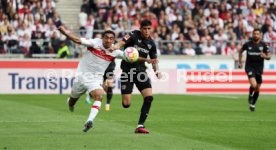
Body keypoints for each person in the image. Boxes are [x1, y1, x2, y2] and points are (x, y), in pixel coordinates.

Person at [58, 26, 125, 132]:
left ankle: (89, 121)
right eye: (106, 37)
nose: (108, 40)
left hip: (95, 80)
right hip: (81, 77)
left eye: (111, 38)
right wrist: (64, 32)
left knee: (99, 95)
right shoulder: (94, 43)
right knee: (72, 102)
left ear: (113, 40)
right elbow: (76, 40)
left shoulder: (115, 51)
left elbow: (131, 57)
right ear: (102, 38)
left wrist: (147, 59)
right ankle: (70, 103)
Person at [110, 20, 161, 134]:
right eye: (144, 29)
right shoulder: (133, 35)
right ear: (140, 28)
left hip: (141, 72)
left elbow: (154, 59)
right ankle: (125, 99)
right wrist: (116, 46)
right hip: (127, 71)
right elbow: (122, 42)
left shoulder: (151, 43)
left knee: (149, 98)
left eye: (149, 29)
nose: (147, 31)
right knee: (126, 104)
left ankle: (140, 126)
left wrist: (157, 70)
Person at [238, 28, 271, 112]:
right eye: (254, 33)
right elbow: (240, 51)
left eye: (257, 34)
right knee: (254, 85)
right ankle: (250, 94)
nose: (255, 35)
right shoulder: (247, 44)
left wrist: (265, 56)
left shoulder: (264, 45)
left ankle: (252, 104)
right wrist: (240, 62)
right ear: (252, 34)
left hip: (259, 69)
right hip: (249, 67)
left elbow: (269, 56)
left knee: (257, 89)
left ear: (260, 35)